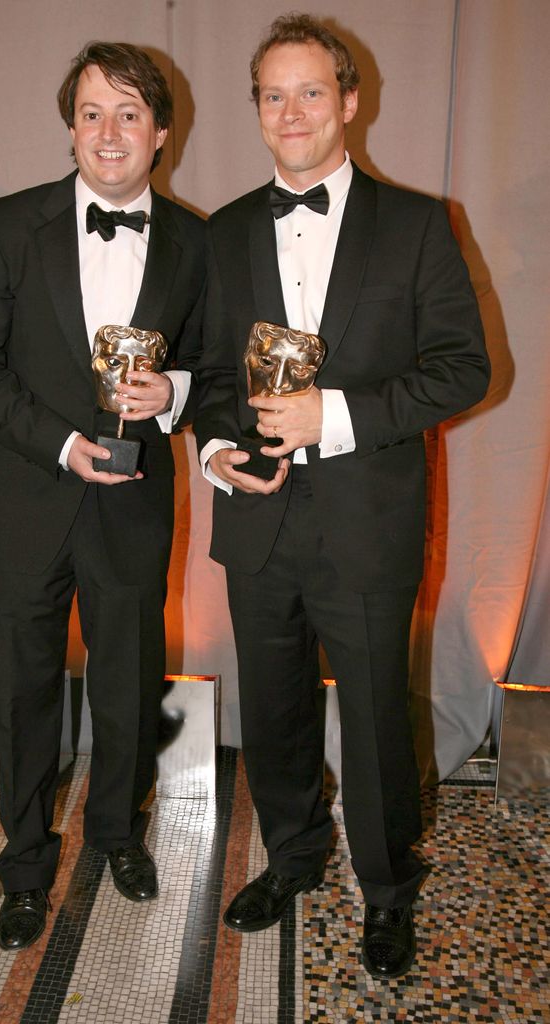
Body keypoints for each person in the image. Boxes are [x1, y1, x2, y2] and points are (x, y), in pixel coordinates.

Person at [194, 13, 489, 979]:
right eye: (272, 95)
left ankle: (389, 889)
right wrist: (216, 455)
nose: (290, 111)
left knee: (371, 722)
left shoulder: (417, 222)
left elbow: (464, 369)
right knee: (273, 714)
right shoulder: (226, 230)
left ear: (350, 102)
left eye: (310, 91)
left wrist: (342, 415)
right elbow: (208, 378)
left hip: (368, 524)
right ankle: (293, 856)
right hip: (258, 521)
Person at [0, 41, 205, 952]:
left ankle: (117, 837)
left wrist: (170, 392)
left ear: (161, 133)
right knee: (22, 693)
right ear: (70, 127)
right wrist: (57, 443)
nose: (108, 131)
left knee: (129, 686)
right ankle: (22, 864)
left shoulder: (197, 240)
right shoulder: (8, 224)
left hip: (133, 504)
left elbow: (210, 368)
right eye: (92, 112)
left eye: (129, 113)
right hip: (25, 499)